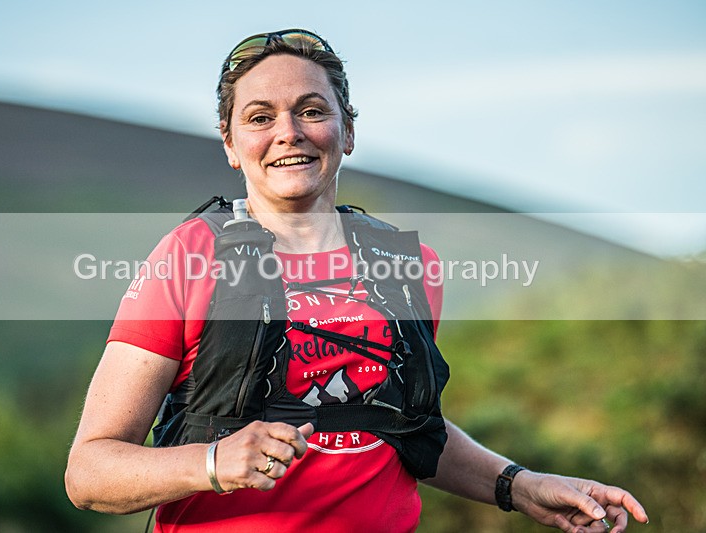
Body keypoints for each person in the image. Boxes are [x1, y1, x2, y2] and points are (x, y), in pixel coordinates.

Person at [65, 29, 649, 533]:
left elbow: (403, 426)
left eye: (312, 110)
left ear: (348, 132)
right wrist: (213, 463)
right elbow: (89, 473)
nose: (288, 132)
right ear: (231, 146)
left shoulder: (406, 264)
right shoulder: (189, 257)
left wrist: (520, 485)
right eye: (260, 118)